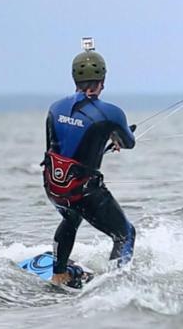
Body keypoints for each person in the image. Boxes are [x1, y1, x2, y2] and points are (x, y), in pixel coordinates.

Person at [42, 42, 136, 287]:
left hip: (54, 189)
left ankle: (59, 273)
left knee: (71, 219)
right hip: (84, 192)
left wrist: (105, 136)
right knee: (124, 234)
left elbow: (56, 148)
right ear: (103, 80)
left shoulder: (54, 108)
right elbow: (129, 142)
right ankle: (116, 287)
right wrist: (114, 136)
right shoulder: (111, 114)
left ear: (74, 77)